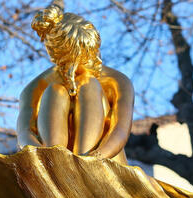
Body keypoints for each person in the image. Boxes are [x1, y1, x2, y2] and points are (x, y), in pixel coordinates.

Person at [17, 3, 134, 161]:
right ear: (61, 58)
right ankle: (57, 158)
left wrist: (96, 157)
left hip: (102, 159)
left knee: (89, 84)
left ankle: (82, 160)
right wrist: (44, 157)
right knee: (55, 91)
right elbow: (24, 132)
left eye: (92, 54)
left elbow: (120, 130)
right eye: (83, 58)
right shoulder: (38, 86)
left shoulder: (117, 81)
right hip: (54, 160)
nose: (92, 61)